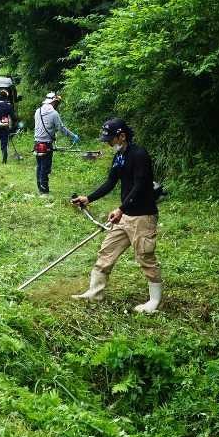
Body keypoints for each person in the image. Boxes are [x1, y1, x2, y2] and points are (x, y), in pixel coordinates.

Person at [71, 118, 163, 313]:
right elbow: (111, 182)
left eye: (110, 140)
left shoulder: (140, 155)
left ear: (122, 136)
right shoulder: (119, 157)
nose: (107, 143)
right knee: (106, 252)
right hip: (125, 216)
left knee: (145, 257)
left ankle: (155, 301)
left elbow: (139, 187)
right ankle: (95, 292)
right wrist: (88, 198)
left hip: (143, 216)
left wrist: (120, 209)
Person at [33, 92, 78, 194]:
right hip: (46, 144)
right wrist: (73, 136)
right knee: (44, 167)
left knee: (39, 165)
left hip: (37, 142)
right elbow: (61, 128)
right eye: (56, 102)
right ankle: (44, 191)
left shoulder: (37, 111)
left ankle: (40, 188)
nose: (56, 104)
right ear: (53, 101)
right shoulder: (54, 114)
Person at [0, 89, 15, 164]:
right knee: (4, 143)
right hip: (4, 128)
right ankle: (4, 160)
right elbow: (13, 118)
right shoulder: (8, 107)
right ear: (6, 98)